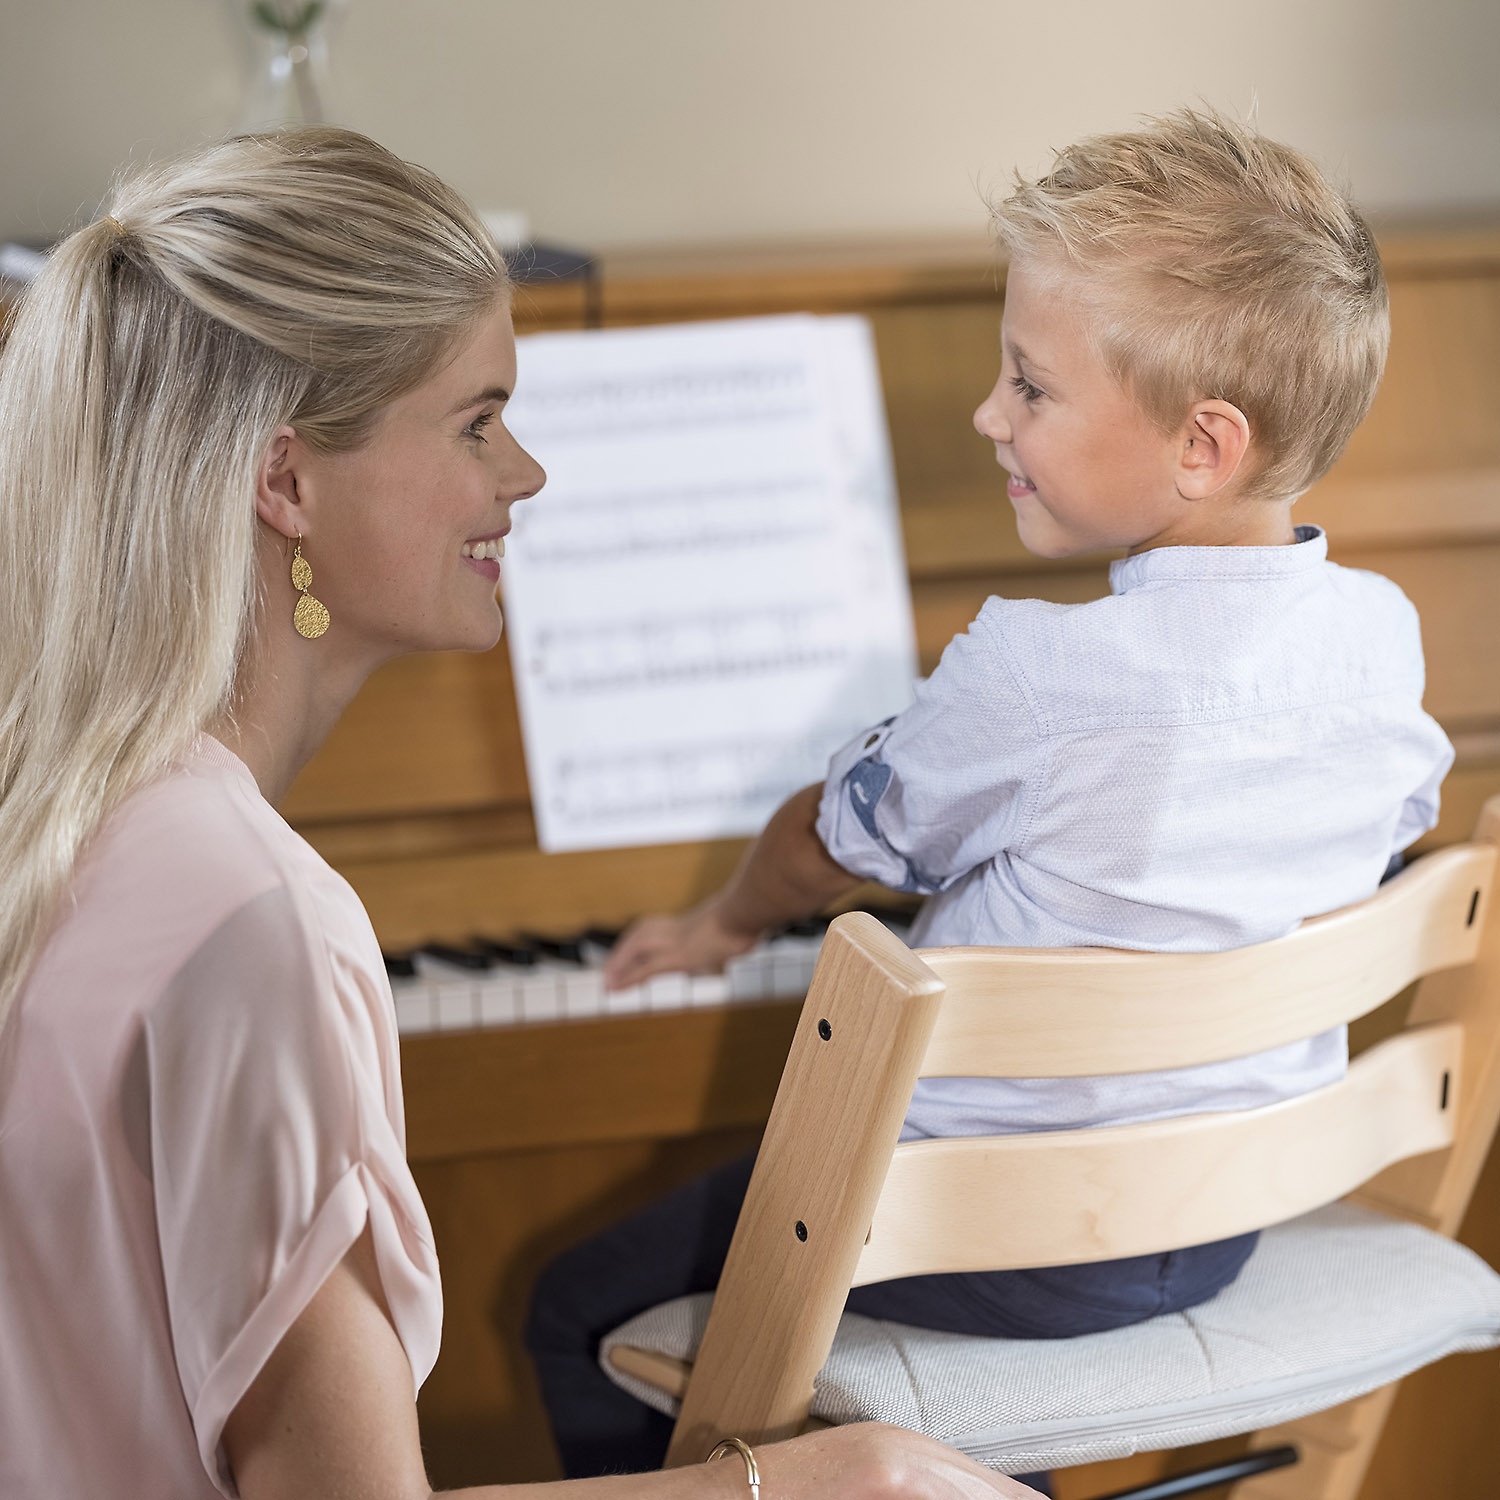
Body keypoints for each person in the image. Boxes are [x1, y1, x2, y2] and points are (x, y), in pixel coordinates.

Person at [0, 128, 1038, 1500]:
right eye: (477, 423)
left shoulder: (68, 817)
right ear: (288, 481)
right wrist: (807, 1483)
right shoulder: (257, 923)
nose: (527, 474)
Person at [526, 107, 1457, 1481]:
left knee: (566, 1304)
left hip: (995, 1246)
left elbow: (827, 846)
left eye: (1031, 385)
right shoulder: (1383, 634)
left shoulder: (1036, 666)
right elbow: (1393, 843)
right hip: (1220, 1216)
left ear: (1200, 447)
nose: (988, 413)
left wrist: (722, 926)